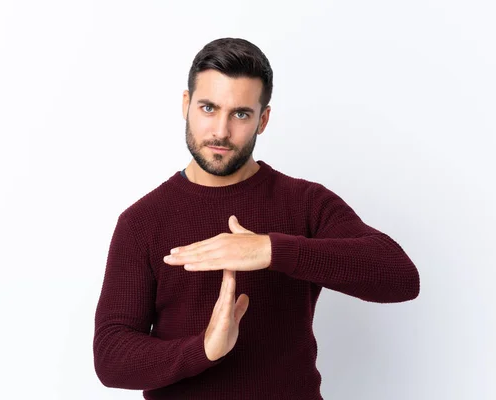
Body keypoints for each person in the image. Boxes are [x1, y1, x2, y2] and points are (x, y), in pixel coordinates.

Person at [93, 37, 420, 400]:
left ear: (263, 119)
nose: (220, 131)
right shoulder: (142, 221)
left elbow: (400, 277)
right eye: (208, 108)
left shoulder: (304, 203)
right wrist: (204, 349)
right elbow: (111, 357)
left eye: (240, 114)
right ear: (186, 105)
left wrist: (270, 250)